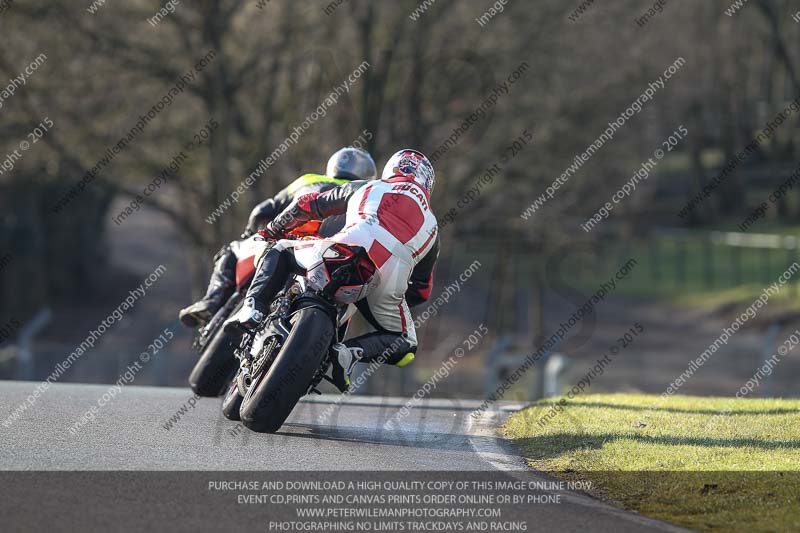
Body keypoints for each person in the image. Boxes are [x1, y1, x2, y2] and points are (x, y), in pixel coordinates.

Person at [224, 149, 440, 391]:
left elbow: (307, 205)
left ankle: (252, 308)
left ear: (392, 168)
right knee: (406, 344)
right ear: (427, 183)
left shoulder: (371, 186)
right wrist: (392, 300)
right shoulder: (433, 228)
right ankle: (348, 353)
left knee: (281, 249)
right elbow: (422, 291)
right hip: (386, 281)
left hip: (342, 248)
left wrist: (271, 230)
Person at [179, 147, 377, 327]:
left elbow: (263, 210)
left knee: (232, 249)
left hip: (287, 242)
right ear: (368, 175)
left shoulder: (309, 180)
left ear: (333, 165)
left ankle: (212, 301)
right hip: (330, 256)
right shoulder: (367, 194)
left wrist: (250, 233)